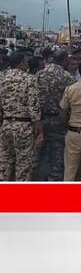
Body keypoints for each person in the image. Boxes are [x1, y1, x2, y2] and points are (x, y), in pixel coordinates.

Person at [0, 52, 43, 181]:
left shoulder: (3, 79)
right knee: (23, 166)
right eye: (25, 62)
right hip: (23, 127)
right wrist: (40, 131)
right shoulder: (30, 79)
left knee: (4, 164)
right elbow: (34, 108)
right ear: (21, 63)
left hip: (6, 125)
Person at [34, 49, 75, 181]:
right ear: (64, 60)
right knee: (57, 157)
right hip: (59, 120)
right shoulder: (68, 77)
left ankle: (35, 181)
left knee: (37, 154)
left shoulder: (40, 74)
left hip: (40, 119)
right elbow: (70, 101)